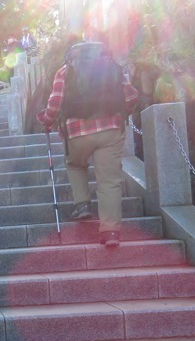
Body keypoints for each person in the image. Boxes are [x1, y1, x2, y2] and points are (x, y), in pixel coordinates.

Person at [36, 38, 139, 248]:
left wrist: (46, 120)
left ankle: (82, 205)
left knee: (75, 164)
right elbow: (131, 97)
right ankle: (110, 231)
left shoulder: (65, 71)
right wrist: (119, 114)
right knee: (109, 181)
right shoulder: (112, 67)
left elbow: (54, 105)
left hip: (76, 132)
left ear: (73, 55)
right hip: (110, 130)